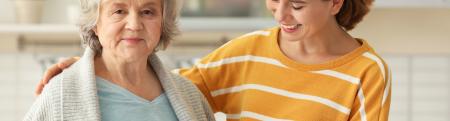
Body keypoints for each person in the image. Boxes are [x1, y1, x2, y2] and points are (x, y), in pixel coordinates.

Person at [36, 0, 391, 120]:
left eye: (297, 4)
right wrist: (86, 73)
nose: (281, 14)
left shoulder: (365, 72)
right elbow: (164, 89)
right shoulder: (247, 51)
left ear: (334, 3)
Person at [24, 0, 215, 120]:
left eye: (147, 12)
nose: (134, 25)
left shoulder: (189, 95)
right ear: (95, 24)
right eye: (119, 11)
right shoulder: (61, 95)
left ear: (163, 22)